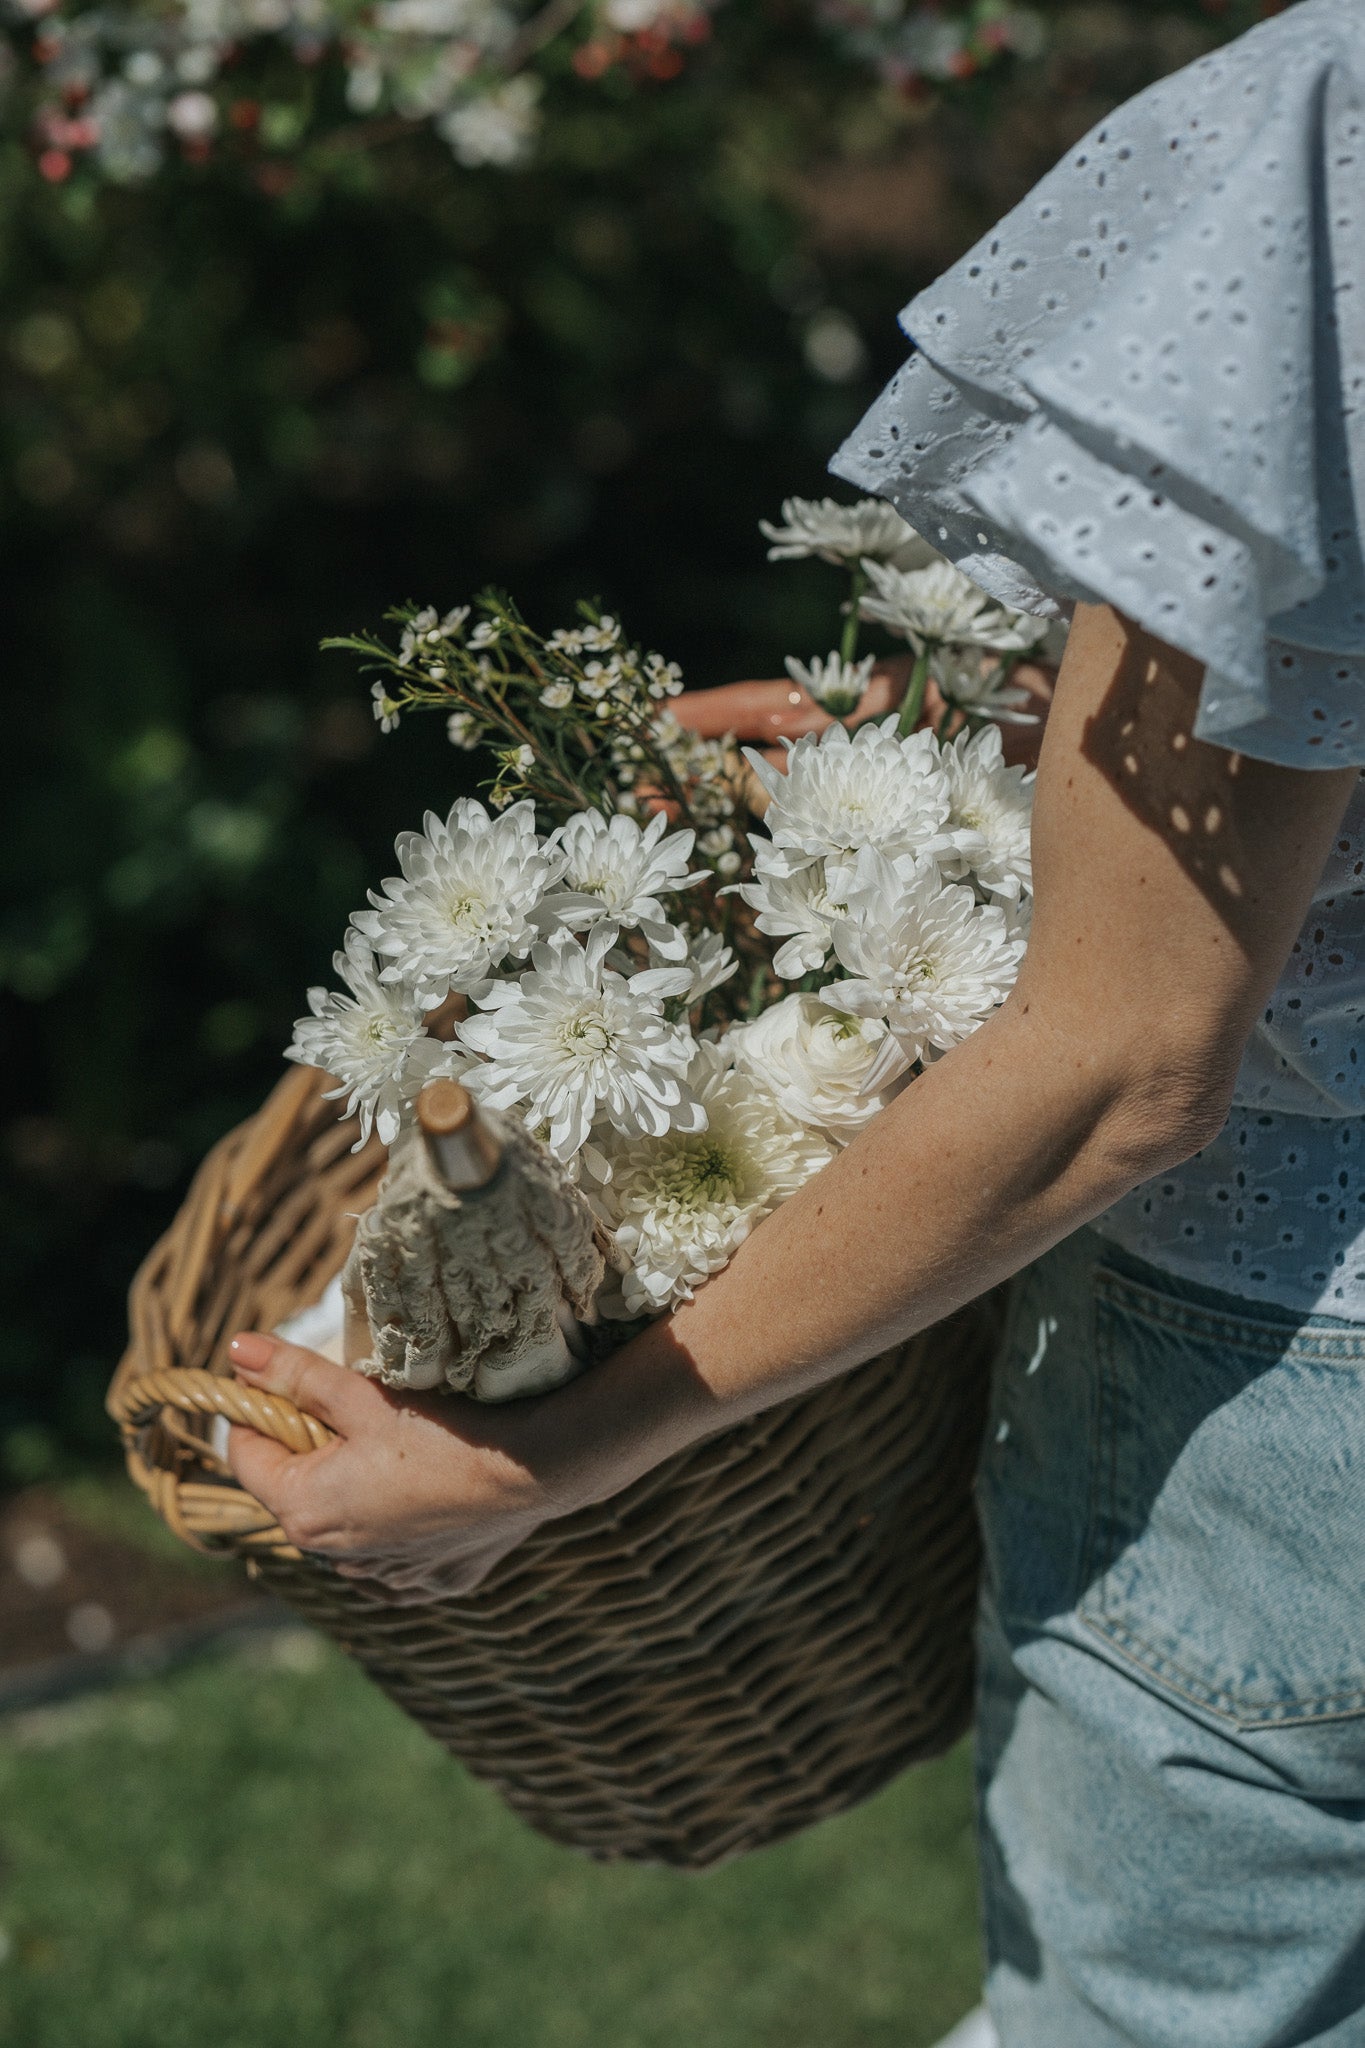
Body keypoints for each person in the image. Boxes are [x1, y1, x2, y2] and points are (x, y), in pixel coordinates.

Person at [226, 3, 1365, 2040]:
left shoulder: (1331, 136)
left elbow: (1125, 1060)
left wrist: (553, 1461)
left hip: (1291, 1399)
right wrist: (963, 762)